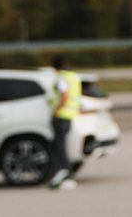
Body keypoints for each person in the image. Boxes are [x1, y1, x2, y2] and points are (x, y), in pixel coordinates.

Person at [45, 56, 82, 190]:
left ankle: (64, 171)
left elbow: (64, 95)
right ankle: (65, 172)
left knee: (59, 146)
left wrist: (56, 110)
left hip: (61, 115)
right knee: (61, 144)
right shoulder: (73, 76)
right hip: (70, 115)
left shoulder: (61, 78)